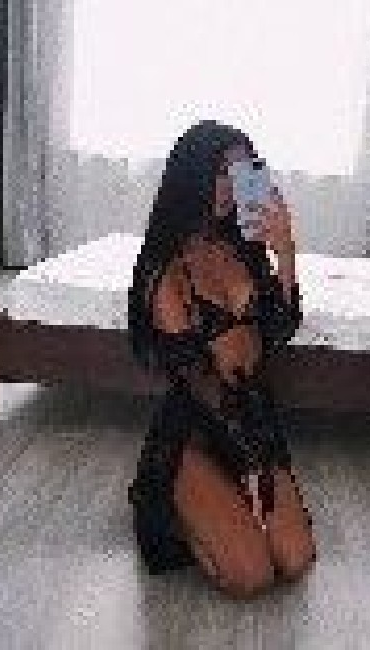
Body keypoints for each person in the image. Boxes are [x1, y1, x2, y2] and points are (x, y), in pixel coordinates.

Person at [127, 120, 316, 599]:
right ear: (191, 176)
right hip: (196, 426)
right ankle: (172, 505)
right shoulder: (164, 268)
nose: (230, 188)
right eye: (219, 174)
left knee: (295, 559)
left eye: (240, 173)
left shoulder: (242, 247)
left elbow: (279, 328)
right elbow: (197, 380)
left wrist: (286, 252)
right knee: (252, 575)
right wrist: (251, 462)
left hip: (252, 416)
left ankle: (227, 509)